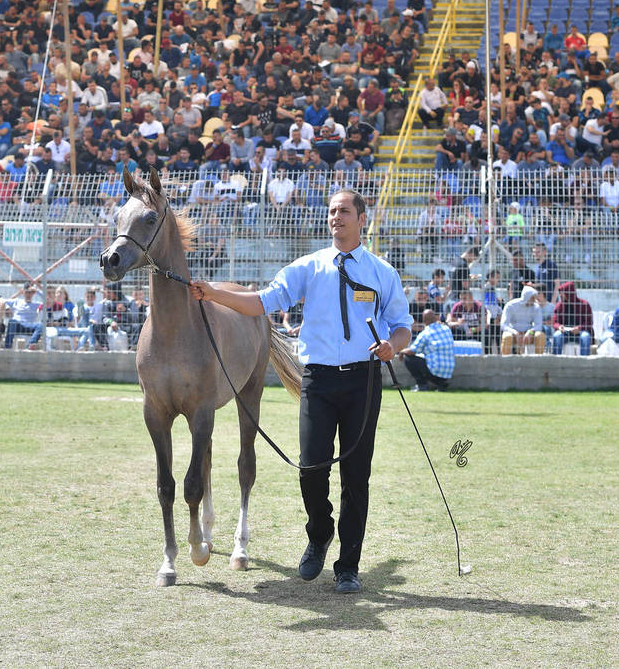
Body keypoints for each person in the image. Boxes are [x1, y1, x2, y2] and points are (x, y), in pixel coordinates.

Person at [190, 190, 412, 594]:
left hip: (363, 380)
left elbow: (402, 326)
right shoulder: (309, 267)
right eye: (331, 212)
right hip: (319, 381)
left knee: (355, 476)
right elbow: (262, 302)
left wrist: (391, 347)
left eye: (344, 211)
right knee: (311, 468)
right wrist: (213, 293)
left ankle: (348, 566)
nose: (335, 217)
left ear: (362, 219)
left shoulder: (383, 273)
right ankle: (319, 534)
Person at [399, 308, 455, 391]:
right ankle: (442, 384)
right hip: (448, 371)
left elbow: (412, 351)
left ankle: (422, 385)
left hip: (434, 372)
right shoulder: (446, 329)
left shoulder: (425, 333)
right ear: (436, 318)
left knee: (408, 358)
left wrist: (401, 352)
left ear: (424, 320)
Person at [551, 281, 595, 356]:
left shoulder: (584, 304)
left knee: (585, 337)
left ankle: (584, 363)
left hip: (580, 332)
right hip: (565, 332)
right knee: (557, 336)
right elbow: (555, 322)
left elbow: (589, 323)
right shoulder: (560, 306)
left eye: (563, 292)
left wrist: (579, 328)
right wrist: (559, 327)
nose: (561, 294)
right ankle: (556, 362)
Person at [500, 285, 547, 355]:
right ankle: (505, 362)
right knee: (507, 337)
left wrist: (530, 332)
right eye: (532, 298)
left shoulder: (536, 307)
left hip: (529, 335)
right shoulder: (510, 305)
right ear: (527, 297)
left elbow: (539, 325)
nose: (534, 300)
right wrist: (515, 332)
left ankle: (538, 361)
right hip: (513, 333)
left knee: (540, 336)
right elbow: (503, 325)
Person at [3, 282, 44, 349]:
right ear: (23, 292)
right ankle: (7, 347)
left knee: (40, 326)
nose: (28, 294)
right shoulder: (17, 301)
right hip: (17, 325)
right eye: (27, 292)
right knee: (12, 321)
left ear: (33, 293)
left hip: (29, 326)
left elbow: (48, 300)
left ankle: (30, 345)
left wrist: (37, 291)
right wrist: (7, 308)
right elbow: (1, 300)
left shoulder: (37, 304)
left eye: (31, 292)